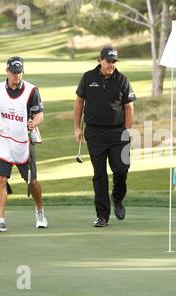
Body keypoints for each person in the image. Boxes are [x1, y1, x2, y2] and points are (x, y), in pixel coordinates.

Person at [0, 56, 47, 232]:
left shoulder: (31, 90)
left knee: (31, 181)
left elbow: (39, 114)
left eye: (19, 72)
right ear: (7, 71)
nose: (16, 76)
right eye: (13, 72)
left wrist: (35, 123)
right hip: (3, 141)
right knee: (1, 179)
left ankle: (40, 211)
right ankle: (0, 220)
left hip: (24, 142)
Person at [74, 47, 135, 228]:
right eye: (109, 61)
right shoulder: (88, 77)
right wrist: (77, 127)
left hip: (118, 133)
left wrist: (127, 130)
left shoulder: (122, 79)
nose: (111, 65)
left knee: (122, 169)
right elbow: (79, 102)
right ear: (100, 60)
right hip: (95, 133)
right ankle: (102, 215)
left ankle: (117, 198)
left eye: (114, 61)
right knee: (99, 174)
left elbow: (129, 108)